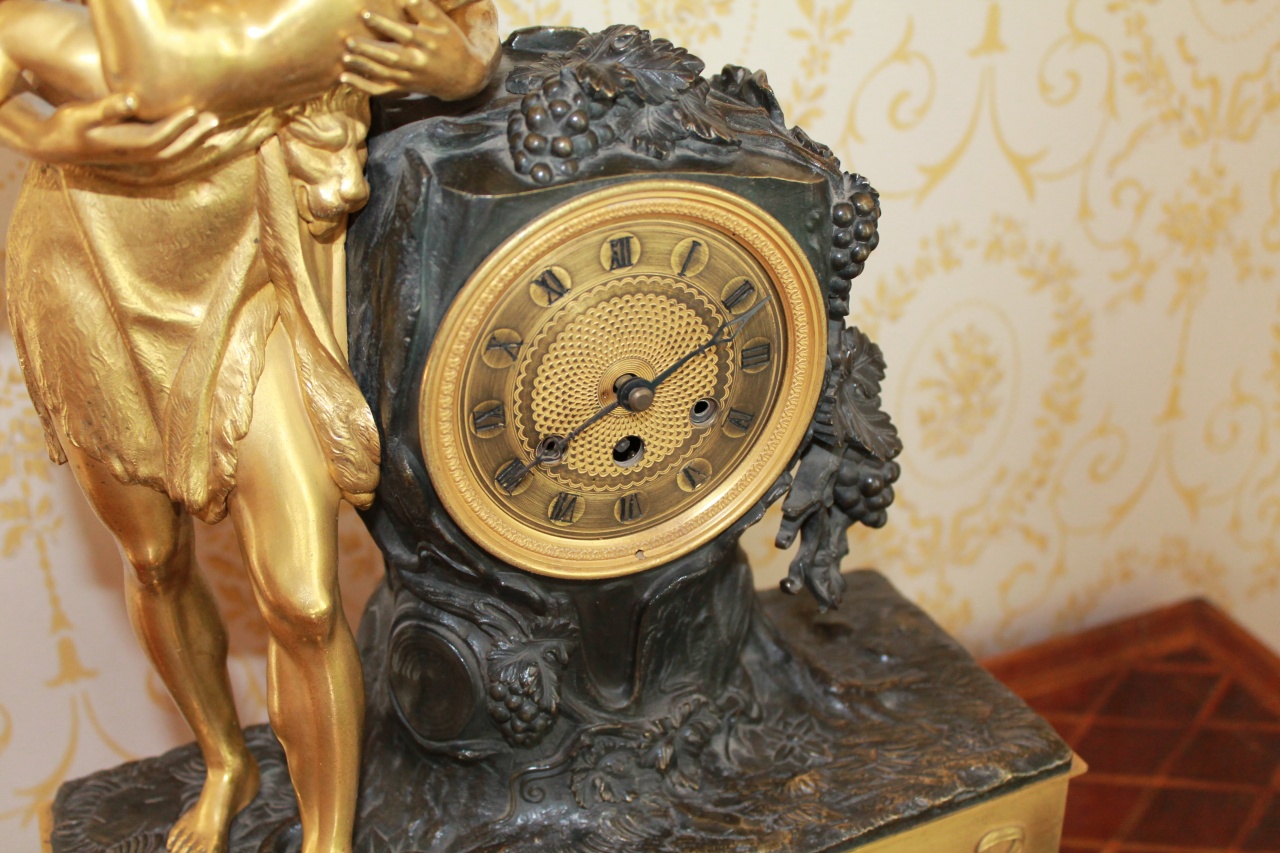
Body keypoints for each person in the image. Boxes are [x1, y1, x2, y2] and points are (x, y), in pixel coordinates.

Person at [0, 2, 500, 852]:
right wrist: (47, 135)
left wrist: (461, 67)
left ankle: (327, 842)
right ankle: (225, 760)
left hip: (254, 264)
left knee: (304, 600)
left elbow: (471, 22)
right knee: (154, 557)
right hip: (93, 257)